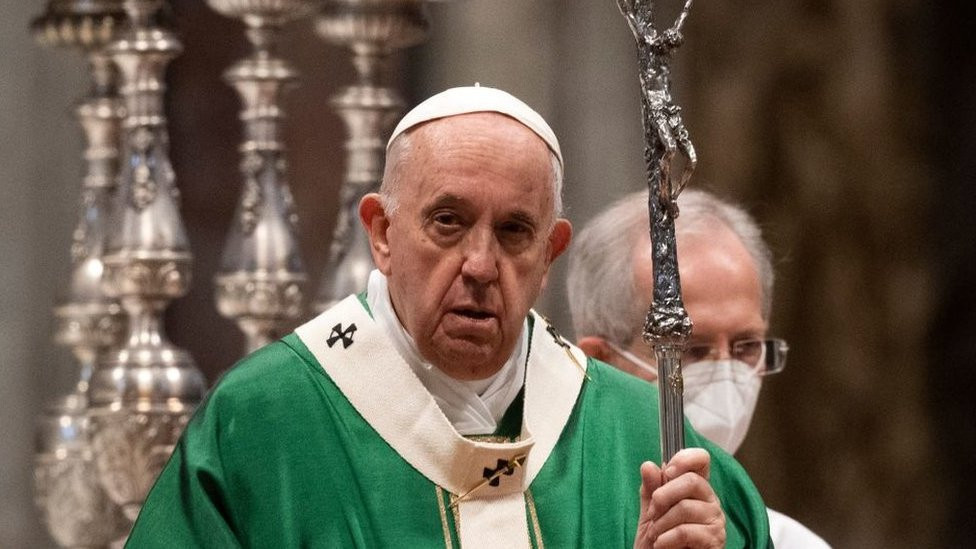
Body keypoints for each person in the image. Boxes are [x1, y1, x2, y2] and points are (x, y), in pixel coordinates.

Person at [125, 86, 771, 548]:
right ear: (381, 232)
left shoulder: (645, 443)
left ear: (549, 254)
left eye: (515, 231)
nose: (481, 264)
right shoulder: (263, 422)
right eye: (448, 222)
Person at [567, 188, 831, 548]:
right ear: (599, 362)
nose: (726, 374)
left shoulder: (788, 542)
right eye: (691, 350)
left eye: (747, 346)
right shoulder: (544, 526)